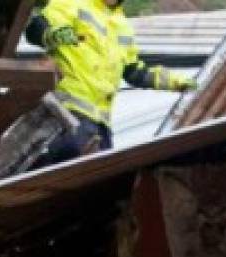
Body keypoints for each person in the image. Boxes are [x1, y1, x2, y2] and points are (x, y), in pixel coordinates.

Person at [25, 0, 198, 167]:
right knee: (70, 167)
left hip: (100, 123)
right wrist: (51, 35)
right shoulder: (73, 3)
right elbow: (35, 28)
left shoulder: (122, 25)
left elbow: (134, 72)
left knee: (103, 176)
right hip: (67, 112)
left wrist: (177, 82)